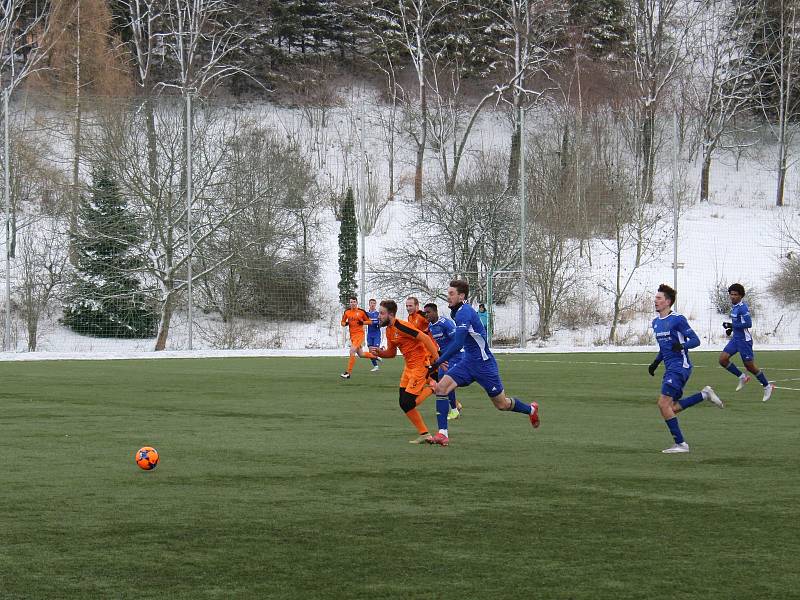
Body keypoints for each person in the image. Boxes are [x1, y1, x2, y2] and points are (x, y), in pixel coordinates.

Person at [429, 280, 539, 447]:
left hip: (484, 364)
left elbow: (458, 344)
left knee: (502, 405)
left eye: (451, 294)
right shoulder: (456, 312)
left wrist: (438, 361)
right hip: (468, 362)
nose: (448, 296)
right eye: (448, 293)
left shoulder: (464, 313)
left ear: (461, 296)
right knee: (441, 388)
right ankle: (442, 434)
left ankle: (531, 410)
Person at [648, 284, 724, 454]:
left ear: (668, 302)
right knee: (671, 408)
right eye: (655, 298)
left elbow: (696, 341)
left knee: (662, 404)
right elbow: (665, 347)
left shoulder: (677, 319)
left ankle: (681, 444)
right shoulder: (656, 323)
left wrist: (681, 346)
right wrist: (655, 362)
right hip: (670, 367)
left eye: (659, 298)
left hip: (680, 366)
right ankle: (704, 394)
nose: (655, 301)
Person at [369, 300, 441, 444]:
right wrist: (379, 353)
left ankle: (433, 388)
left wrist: (437, 360)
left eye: (382, 313)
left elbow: (425, 338)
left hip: (420, 366)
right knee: (404, 403)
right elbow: (391, 353)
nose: (379, 316)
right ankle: (425, 434)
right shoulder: (389, 330)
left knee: (407, 402)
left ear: (390, 314)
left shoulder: (402, 325)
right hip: (408, 368)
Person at [718, 283, 774, 402]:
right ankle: (742, 377)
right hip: (735, 339)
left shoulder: (743, 308)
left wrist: (733, 325)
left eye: (735, 295)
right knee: (723, 359)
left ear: (741, 296)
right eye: (731, 294)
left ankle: (767, 386)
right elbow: (739, 324)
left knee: (750, 366)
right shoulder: (734, 307)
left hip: (744, 341)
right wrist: (731, 329)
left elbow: (748, 324)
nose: (732, 296)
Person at [423, 303, 464, 436]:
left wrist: (449, 354)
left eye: (428, 312)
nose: (426, 315)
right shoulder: (431, 326)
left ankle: (454, 409)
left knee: (446, 383)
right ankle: (455, 409)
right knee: (441, 384)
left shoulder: (446, 323)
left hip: (455, 356)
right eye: (425, 313)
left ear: (435, 312)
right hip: (444, 358)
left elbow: (457, 340)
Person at [340, 296, 377, 379]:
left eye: (354, 302)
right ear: (349, 303)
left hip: (360, 335)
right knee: (361, 354)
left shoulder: (361, 312)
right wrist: (345, 324)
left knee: (352, 350)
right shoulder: (347, 312)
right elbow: (342, 322)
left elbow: (370, 322)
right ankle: (375, 356)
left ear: (357, 303)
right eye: (351, 302)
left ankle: (348, 373)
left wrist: (362, 322)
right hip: (352, 336)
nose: (352, 303)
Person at [365, 298, 383, 372]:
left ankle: (381, 352)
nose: (372, 304)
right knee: (370, 352)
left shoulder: (378, 314)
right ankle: (376, 366)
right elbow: (363, 321)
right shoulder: (366, 314)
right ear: (369, 304)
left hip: (376, 334)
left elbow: (381, 323)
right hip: (369, 334)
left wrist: (377, 323)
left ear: (375, 305)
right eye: (371, 303)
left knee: (374, 350)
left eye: (374, 303)